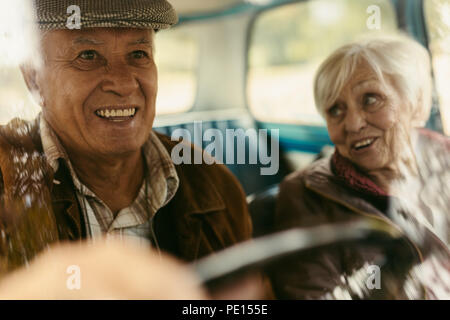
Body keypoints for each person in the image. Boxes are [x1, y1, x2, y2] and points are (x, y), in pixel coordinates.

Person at [0, 0, 251, 278]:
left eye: (138, 54)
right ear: (34, 79)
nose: (123, 83)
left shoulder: (214, 186)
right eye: (88, 55)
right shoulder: (6, 177)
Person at [271, 35, 450, 299]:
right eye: (335, 110)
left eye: (370, 100)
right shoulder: (305, 196)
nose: (353, 124)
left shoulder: (442, 159)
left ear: (417, 104)